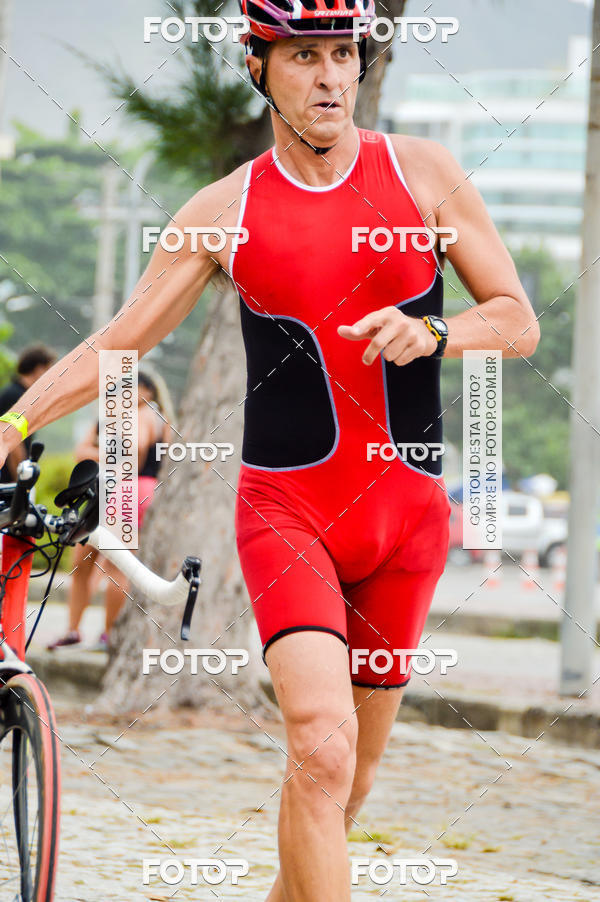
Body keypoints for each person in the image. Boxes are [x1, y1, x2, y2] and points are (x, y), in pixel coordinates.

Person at [0, 2, 540, 896]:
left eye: (343, 55)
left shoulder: (423, 173)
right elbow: (121, 342)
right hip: (288, 513)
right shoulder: (225, 210)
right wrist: (15, 422)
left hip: (407, 524)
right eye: (303, 57)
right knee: (321, 750)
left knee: (348, 781)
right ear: (258, 67)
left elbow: (517, 320)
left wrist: (437, 332)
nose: (331, 77)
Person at [46, 369, 172, 651]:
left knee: (116, 565)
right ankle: (76, 630)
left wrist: (103, 456)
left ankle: (107, 635)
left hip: (129, 490)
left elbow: (134, 450)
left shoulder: (147, 412)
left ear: (148, 391)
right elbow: (81, 451)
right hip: (108, 489)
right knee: (82, 561)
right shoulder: (112, 417)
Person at [0, 344, 56, 483]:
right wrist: (20, 481)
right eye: (48, 369)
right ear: (39, 369)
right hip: (8, 478)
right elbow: (14, 445)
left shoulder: (20, 393)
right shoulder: (16, 396)